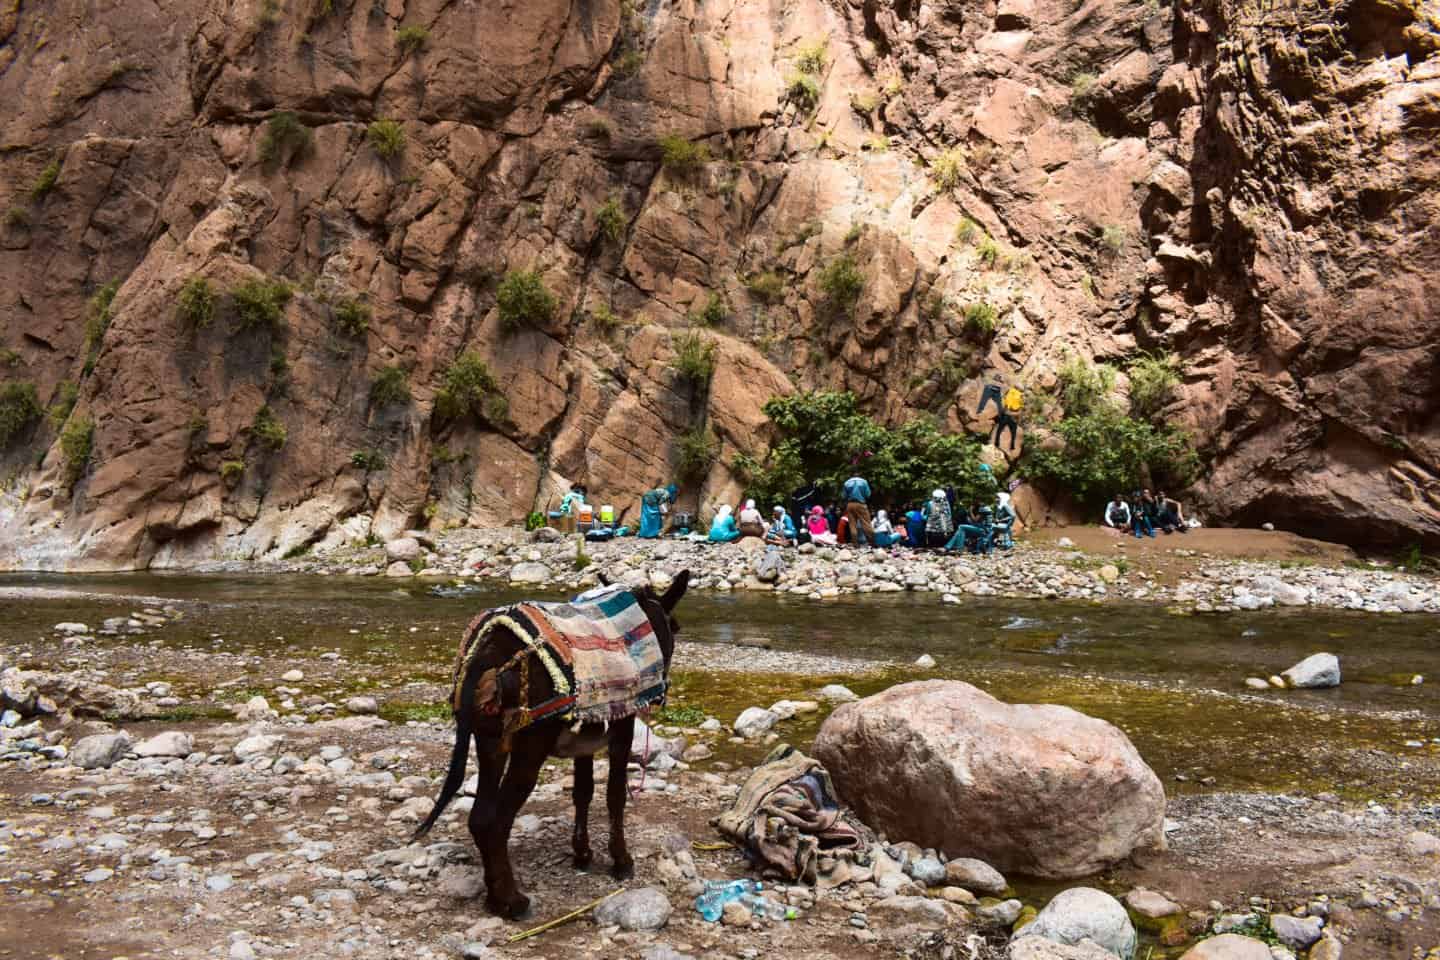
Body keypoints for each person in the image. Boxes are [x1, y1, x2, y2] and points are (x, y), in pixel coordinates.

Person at [842, 475, 875, 546]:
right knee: (866, 523)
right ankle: (872, 542)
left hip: (850, 504)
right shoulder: (864, 482)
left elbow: (844, 496)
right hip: (861, 504)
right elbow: (868, 494)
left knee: (852, 524)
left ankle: (855, 543)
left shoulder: (847, 482)